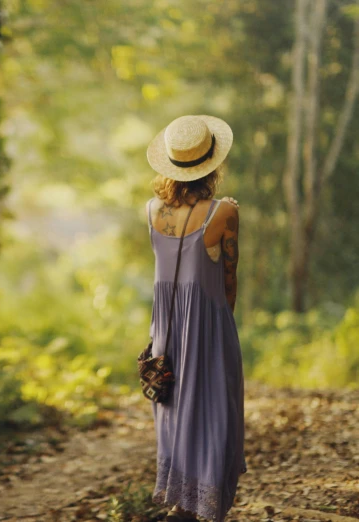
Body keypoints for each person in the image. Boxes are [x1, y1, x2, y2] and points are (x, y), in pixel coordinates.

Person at [144, 115, 246, 521]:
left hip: (165, 333)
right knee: (216, 410)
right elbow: (229, 279)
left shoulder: (151, 211)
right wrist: (221, 326)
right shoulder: (224, 213)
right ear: (212, 164)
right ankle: (205, 504)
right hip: (208, 324)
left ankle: (181, 501)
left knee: (175, 410)